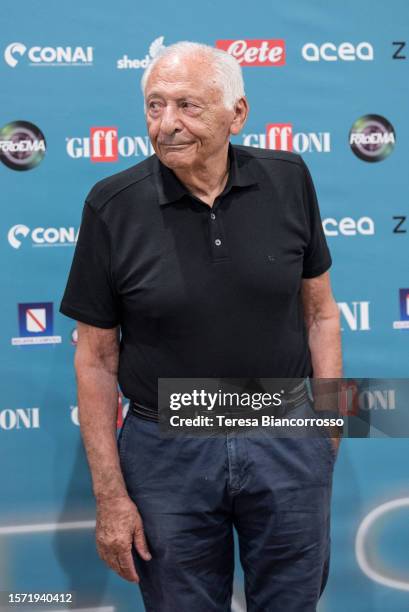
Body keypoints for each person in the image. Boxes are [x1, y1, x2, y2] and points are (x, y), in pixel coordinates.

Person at [60, 41, 342, 611]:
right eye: (154, 106)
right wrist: (111, 493)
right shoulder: (111, 205)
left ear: (237, 113)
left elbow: (321, 311)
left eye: (187, 105)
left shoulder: (289, 178)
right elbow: (94, 357)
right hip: (166, 447)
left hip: (283, 431)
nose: (167, 125)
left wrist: (327, 426)